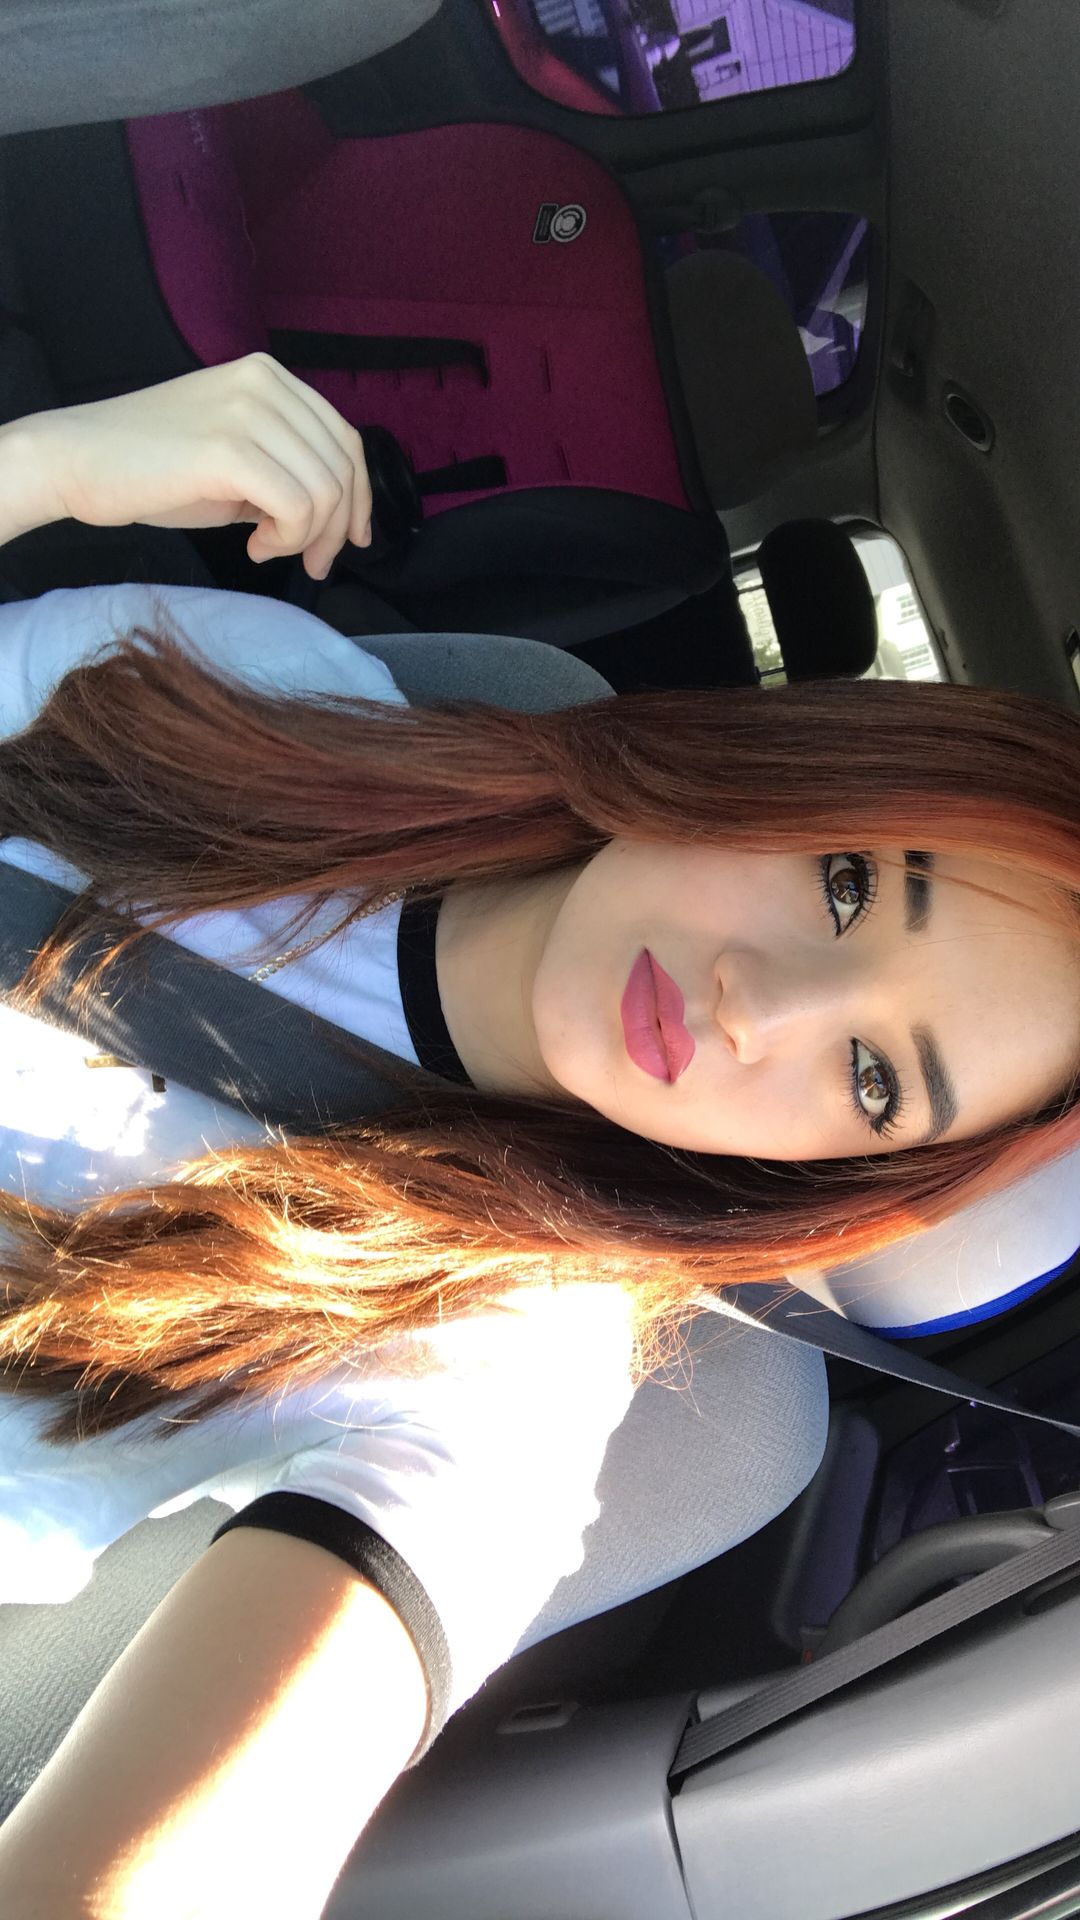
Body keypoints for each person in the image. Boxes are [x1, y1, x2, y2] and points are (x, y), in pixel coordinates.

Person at [0, 352, 1077, 1917]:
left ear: (844, 1182)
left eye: (871, 1082)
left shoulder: (510, 1385)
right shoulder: (261, 683)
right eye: (850, 885)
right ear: (787, 771)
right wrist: (47, 468)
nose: (757, 1008)